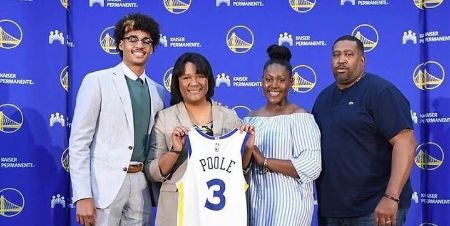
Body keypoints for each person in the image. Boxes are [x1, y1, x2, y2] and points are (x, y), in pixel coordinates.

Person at [69, 13, 166, 226]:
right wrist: (83, 195)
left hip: (142, 186)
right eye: (132, 39)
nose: (139, 45)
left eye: (146, 41)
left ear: (152, 48)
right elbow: (79, 142)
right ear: (121, 44)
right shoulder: (97, 81)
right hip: (104, 188)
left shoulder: (159, 92)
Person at [312, 35, 417, 226]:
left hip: (375, 209)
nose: (341, 59)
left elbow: (405, 142)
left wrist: (391, 197)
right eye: (336, 55)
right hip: (332, 211)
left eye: (348, 54)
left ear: (362, 60)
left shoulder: (380, 92)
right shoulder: (323, 98)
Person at [145, 52, 253, 226]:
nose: (194, 83)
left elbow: (240, 169)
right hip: (178, 211)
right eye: (186, 77)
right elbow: (152, 172)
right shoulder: (166, 118)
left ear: (208, 79)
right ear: (177, 82)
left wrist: (248, 149)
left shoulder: (229, 116)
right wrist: (175, 151)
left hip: (221, 213)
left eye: (200, 76)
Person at [243, 44, 322, 226]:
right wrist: (247, 153)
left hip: (290, 206)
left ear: (291, 82)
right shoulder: (249, 119)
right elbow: (240, 167)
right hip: (256, 204)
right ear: (261, 81)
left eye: (281, 80)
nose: (274, 86)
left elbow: (312, 166)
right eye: (269, 79)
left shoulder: (301, 117)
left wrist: (265, 161)